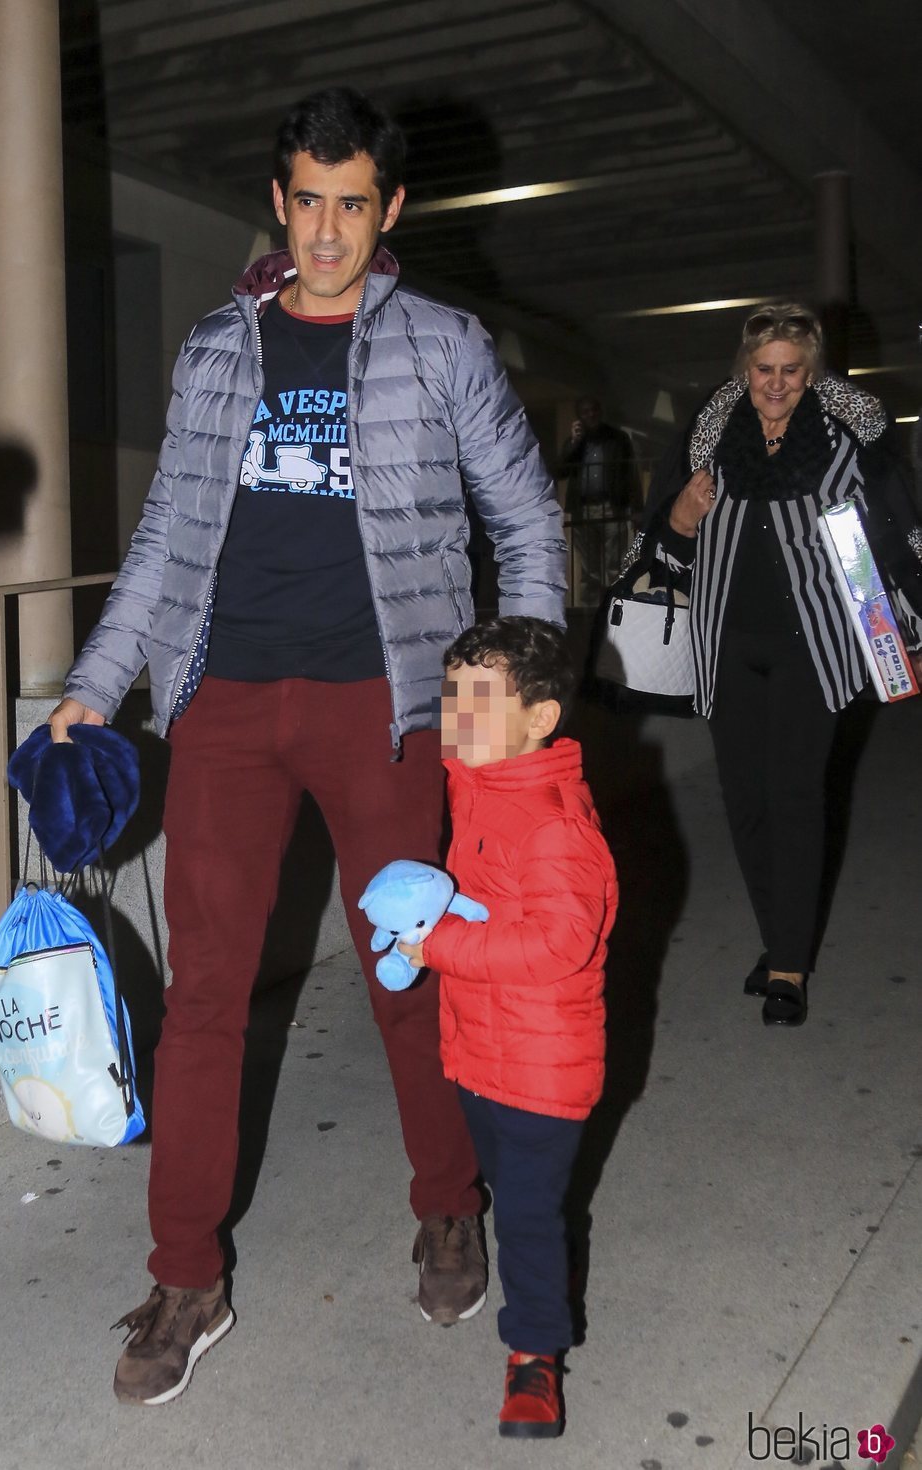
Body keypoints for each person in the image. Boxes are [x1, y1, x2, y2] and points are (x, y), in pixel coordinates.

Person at [48, 87, 567, 1406]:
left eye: (354, 204)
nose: (328, 230)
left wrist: (521, 686)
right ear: (277, 205)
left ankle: (449, 1201)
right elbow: (167, 537)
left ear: (388, 211)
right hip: (226, 702)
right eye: (307, 201)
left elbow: (524, 510)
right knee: (206, 993)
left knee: (409, 975)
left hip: (382, 702)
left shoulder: (442, 346)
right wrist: (97, 685)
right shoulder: (218, 349)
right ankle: (185, 1274)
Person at [640, 304, 922, 1027]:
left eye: (790, 371)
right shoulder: (710, 440)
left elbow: (885, 540)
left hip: (815, 645)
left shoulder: (843, 441)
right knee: (746, 805)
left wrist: (897, 634)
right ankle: (780, 939)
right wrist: (679, 518)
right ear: (745, 369)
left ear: (811, 372)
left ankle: (788, 966)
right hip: (726, 647)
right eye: (764, 370)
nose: (776, 383)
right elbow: (664, 558)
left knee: (795, 797)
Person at [397, 616, 618, 1438]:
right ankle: (532, 1316)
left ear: (541, 720)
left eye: (481, 700)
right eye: (452, 694)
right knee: (508, 1190)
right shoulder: (478, 782)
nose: (457, 714)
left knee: (528, 1215)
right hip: (482, 1051)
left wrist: (442, 942)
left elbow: (559, 942)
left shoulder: (558, 824)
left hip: (542, 1070)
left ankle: (536, 1358)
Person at [560, 397, 640, 598]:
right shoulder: (575, 442)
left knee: (615, 563)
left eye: (593, 410)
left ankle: (616, 605)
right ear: (579, 416)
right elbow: (561, 470)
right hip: (584, 508)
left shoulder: (617, 438)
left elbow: (630, 474)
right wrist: (574, 443)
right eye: (585, 412)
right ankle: (590, 610)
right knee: (589, 569)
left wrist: (637, 509)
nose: (590, 415)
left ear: (600, 411)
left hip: (612, 506)